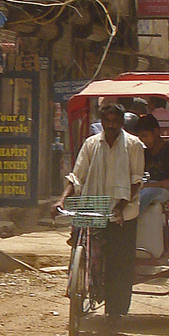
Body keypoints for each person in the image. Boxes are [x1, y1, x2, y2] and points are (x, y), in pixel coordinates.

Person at [52, 103, 145, 322]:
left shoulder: (134, 145)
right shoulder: (91, 144)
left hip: (123, 212)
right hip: (95, 207)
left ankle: (115, 311)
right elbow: (77, 177)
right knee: (79, 242)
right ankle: (79, 285)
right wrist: (61, 200)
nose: (111, 126)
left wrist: (119, 207)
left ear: (121, 123)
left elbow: (136, 181)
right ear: (101, 122)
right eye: (107, 121)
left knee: (118, 263)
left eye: (115, 122)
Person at [136, 112, 169, 214]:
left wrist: (150, 186)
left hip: (166, 191)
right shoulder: (144, 151)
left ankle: (132, 222)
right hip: (147, 188)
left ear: (156, 132)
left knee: (146, 194)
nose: (143, 140)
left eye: (145, 136)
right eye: (140, 137)